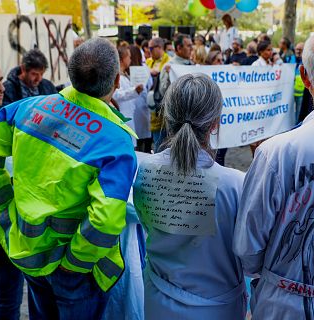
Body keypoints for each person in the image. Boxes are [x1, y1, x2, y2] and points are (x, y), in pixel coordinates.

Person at [0, 38, 137, 319]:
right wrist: (74, 264)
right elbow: (106, 221)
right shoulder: (116, 141)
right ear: (117, 81)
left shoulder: (24, 109)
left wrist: (5, 212)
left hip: (29, 252)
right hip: (76, 272)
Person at [134, 74, 247, 320]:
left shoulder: (145, 170)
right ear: (215, 123)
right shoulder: (234, 184)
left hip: (158, 303)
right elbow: (250, 254)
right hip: (218, 310)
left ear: (167, 116)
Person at [233, 35, 314, 319]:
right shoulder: (275, 153)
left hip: (284, 304)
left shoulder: (275, 154)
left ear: (304, 76)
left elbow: (248, 246)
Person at [0, 60, 25, 320]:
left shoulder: (5, 120)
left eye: (0, 79)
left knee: (6, 302)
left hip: (3, 233)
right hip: (4, 226)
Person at [113, 44, 144, 147]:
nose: (130, 59)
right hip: (123, 116)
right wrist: (134, 91)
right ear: (122, 59)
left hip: (129, 115)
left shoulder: (124, 75)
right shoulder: (117, 77)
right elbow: (117, 95)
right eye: (129, 57)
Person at [294, 42, 305, 123]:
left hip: (301, 93)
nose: (298, 51)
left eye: (300, 50)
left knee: (298, 112)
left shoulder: (306, 61)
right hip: (290, 92)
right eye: (297, 49)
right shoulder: (290, 59)